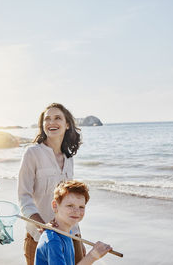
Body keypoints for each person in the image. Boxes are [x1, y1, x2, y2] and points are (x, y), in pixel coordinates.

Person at [18, 103, 84, 265]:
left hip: (70, 235)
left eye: (57, 118)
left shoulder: (69, 158)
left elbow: (70, 201)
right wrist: (43, 225)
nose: (51, 122)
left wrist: (78, 237)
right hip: (39, 237)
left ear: (67, 124)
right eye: (47, 119)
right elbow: (23, 196)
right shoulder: (32, 153)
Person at [35, 180, 112, 265]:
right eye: (70, 206)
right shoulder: (53, 241)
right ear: (55, 206)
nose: (76, 211)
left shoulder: (68, 233)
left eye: (81, 207)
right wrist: (92, 256)